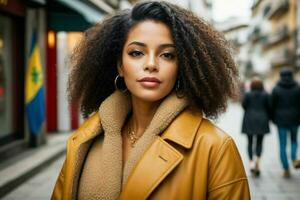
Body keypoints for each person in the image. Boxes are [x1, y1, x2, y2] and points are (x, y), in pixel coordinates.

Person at [51, 1, 250, 199]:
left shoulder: (216, 148)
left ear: (182, 67)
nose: (151, 64)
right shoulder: (84, 140)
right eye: (137, 53)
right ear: (120, 65)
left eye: (167, 55)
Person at [271, 68, 300, 178]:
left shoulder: (276, 89)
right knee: (294, 141)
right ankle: (294, 158)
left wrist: (273, 118)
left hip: (281, 120)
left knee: (282, 144)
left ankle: (286, 168)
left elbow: (272, 105)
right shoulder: (298, 88)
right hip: (295, 119)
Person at [241, 77, 270, 177]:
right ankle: (257, 159)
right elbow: (269, 107)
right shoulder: (265, 94)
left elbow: (243, 105)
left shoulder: (248, 94)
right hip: (262, 119)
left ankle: (251, 163)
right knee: (259, 142)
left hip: (249, 119)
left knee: (249, 142)